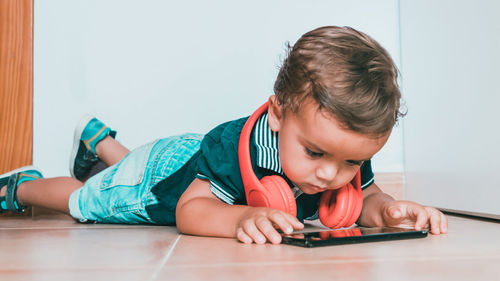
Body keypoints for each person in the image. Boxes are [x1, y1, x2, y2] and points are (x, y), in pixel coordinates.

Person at [0, 26, 447, 244]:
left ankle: (98, 141)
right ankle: (21, 187)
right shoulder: (237, 148)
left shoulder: (340, 150)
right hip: (161, 179)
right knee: (89, 200)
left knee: (128, 168)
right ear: (277, 114)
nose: (332, 174)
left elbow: (364, 198)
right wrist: (238, 219)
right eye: (315, 152)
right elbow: (190, 210)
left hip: (188, 160)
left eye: (351, 161)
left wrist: (388, 211)